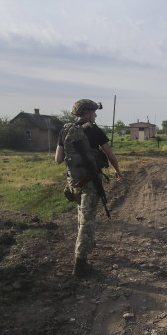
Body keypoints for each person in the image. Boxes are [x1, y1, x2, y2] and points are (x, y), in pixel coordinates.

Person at [55, 99, 123, 276]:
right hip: (91, 182)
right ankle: (80, 262)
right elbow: (110, 154)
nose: (95, 115)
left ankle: (87, 244)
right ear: (86, 113)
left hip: (74, 182)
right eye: (93, 112)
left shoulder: (65, 130)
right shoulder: (94, 130)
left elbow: (58, 159)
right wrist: (118, 171)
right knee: (88, 219)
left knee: (81, 215)